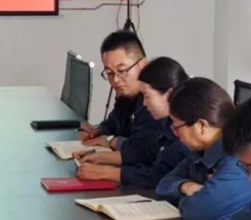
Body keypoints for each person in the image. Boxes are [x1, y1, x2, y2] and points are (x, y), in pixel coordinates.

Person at [77, 57, 193, 187]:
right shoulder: (166, 123)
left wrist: (106, 173)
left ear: (169, 95)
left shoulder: (184, 131)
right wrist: (100, 157)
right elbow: (148, 158)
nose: (144, 103)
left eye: (147, 96)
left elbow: (160, 176)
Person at [156, 77, 251, 220]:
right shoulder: (201, 151)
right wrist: (186, 186)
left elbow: (196, 212)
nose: (176, 135)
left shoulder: (238, 159)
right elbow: (163, 185)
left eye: (177, 128)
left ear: (202, 125)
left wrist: (187, 198)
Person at [76, 30, 161, 169]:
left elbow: (143, 152)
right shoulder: (126, 97)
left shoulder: (156, 101)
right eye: (109, 73)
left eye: (122, 71)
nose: (115, 80)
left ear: (143, 65)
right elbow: (113, 123)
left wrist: (111, 140)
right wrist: (97, 131)